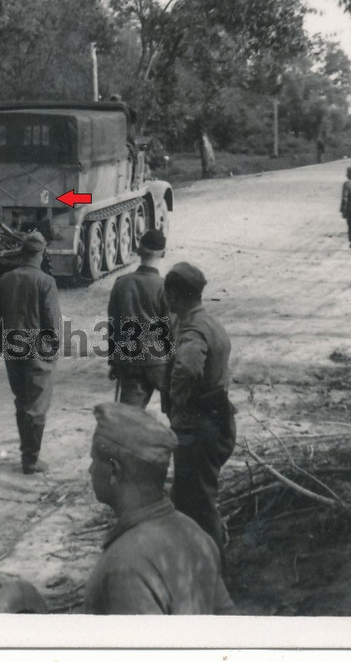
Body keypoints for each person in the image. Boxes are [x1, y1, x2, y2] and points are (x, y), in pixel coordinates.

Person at [83, 402, 234, 615]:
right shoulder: (195, 533)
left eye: (94, 460)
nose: (90, 469)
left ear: (114, 472)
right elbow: (226, 619)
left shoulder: (124, 565)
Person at [162, 262, 236, 556]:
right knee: (187, 500)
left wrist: (177, 400)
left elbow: (189, 366)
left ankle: (213, 575)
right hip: (213, 420)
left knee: (201, 506)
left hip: (200, 425)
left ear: (174, 296)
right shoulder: (205, 321)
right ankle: (194, 565)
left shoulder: (194, 329)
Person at [0, 232, 62, 475]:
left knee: (22, 401)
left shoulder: (5, 279)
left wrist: (0, 345)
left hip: (13, 350)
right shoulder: (45, 282)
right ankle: (31, 460)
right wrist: (52, 352)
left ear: (22, 253)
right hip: (36, 352)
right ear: (41, 254)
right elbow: (52, 322)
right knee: (37, 405)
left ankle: (26, 454)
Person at [106, 229, 171, 409]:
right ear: (163, 253)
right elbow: (172, 329)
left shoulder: (121, 283)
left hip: (130, 360)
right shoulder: (164, 287)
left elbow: (114, 326)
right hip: (160, 362)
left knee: (129, 418)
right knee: (178, 416)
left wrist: (114, 360)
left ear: (138, 250)